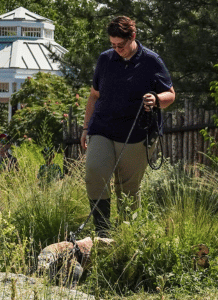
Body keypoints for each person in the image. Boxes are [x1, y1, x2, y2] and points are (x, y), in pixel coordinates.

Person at [80, 16, 175, 237]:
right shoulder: (105, 59)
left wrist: (155, 99)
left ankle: (127, 236)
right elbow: (94, 96)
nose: (116, 49)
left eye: (120, 45)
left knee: (128, 189)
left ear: (132, 36)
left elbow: (170, 94)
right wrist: (86, 128)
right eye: (112, 45)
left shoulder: (152, 61)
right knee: (94, 174)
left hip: (137, 133)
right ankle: (102, 232)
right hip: (102, 128)